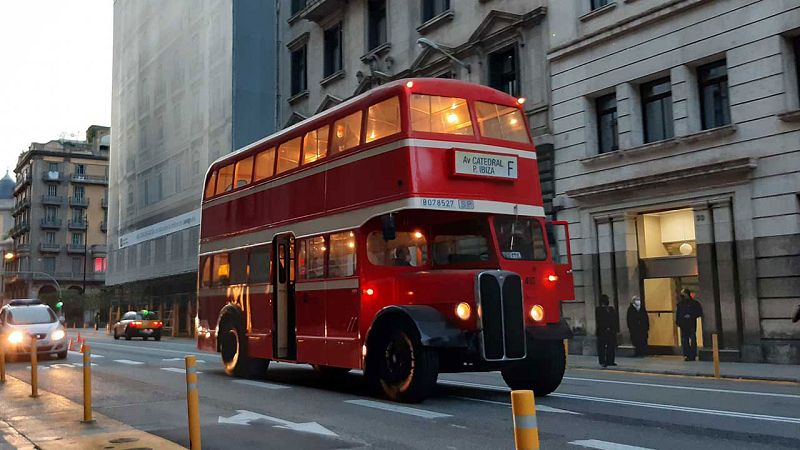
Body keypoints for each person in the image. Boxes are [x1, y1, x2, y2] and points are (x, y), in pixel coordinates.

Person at [676, 288, 703, 361]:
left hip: (690, 324)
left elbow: (699, 312)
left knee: (692, 339)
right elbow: (678, 314)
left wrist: (691, 315)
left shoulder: (694, 303)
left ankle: (692, 355)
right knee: (685, 340)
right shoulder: (680, 304)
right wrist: (678, 322)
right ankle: (687, 355)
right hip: (684, 324)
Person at [595, 294, 619, 367]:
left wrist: (613, 328)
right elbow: (600, 320)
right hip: (602, 331)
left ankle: (610, 360)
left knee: (611, 346)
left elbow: (614, 319)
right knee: (602, 347)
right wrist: (606, 327)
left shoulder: (611, 309)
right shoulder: (599, 309)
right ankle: (602, 361)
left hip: (611, 331)